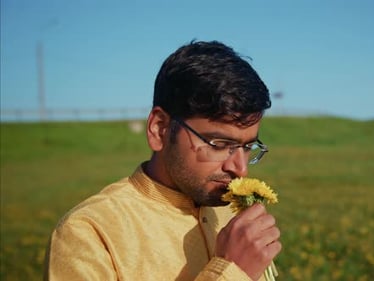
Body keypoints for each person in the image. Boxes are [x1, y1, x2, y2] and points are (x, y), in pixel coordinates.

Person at [44, 40, 281, 281]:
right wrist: (232, 272)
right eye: (219, 145)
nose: (239, 169)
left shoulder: (231, 217)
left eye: (248, 146)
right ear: (160, 129)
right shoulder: (89, 233)